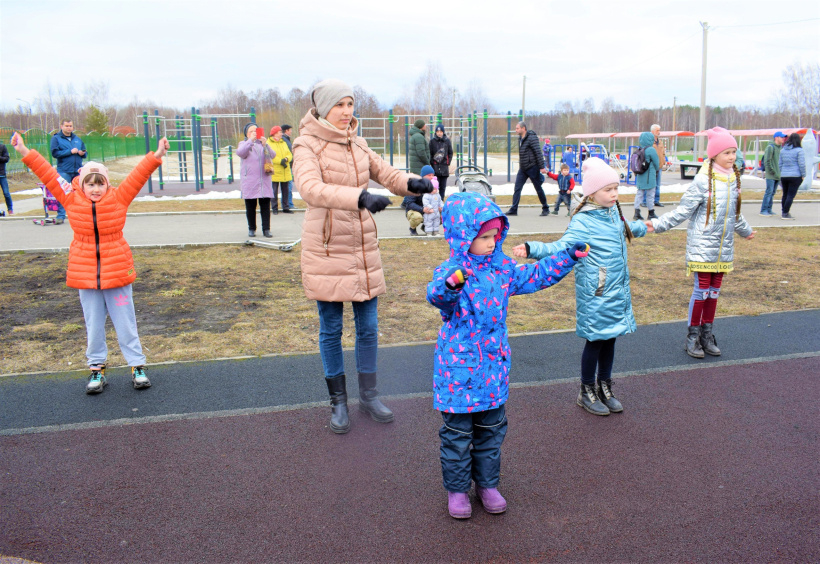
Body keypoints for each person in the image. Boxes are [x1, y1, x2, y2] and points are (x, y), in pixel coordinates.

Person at [427, 191, 587, 518]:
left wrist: (567, 257)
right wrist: (453, 284)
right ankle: (457, 490)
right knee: (457, 436)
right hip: (458, 374)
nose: (490, 242)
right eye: (482, 236)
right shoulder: (452, 270)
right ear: (462, 237)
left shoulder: (502, 269)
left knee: (491, 431)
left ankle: (487, 484)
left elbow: (534, 276)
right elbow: (438, 297)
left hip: (492, 371)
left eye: (494, 235)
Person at [291, 79, 433, 434]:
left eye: (350, 104)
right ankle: (338, 402)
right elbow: (309, 188)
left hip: (362, 247)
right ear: (324, 108)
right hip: (327, 247)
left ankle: (368, 396)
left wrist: (411, 183)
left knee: (368, 329)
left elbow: (385, 173)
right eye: (339, 105)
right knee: (332, 329)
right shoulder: (306, 144)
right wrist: (358, 198)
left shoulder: (357, 142)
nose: (346, 112)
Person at [10, 131, 170, 394]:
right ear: (81, 185)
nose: (95, 189)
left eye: (100, 184)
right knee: (93, 324)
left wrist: (157, 155)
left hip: (117, 271)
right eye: (90, 184)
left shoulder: (119, 198)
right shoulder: (70, 199)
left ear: (107, 185)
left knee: (125, 322)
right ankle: (97, 369)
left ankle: (137, 366)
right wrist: (25, 151)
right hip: (85, 275)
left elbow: (138, 175)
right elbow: (47, 174)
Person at [513, 157, 647, 416]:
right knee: (596, 341)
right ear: (592, 193)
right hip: (596, 292)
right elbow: (560, 247)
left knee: (611, 339)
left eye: (616, 189)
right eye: (608, 190)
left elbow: (625, 229)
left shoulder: (612, 214)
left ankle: (604, 386)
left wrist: (645, 227)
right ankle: (586, 390)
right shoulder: (584, 221)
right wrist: (533, 248)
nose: (614, 194)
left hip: (615, 292)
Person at [645, 127, 755, 358]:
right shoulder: (702, 180)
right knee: (701, 292)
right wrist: (658, 224)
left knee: (714, 293)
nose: (732, 157)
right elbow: (683, 210)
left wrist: (745, 231)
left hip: (722, 249)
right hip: (702, 247)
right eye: (727, 152)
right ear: (714, 155)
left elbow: (734, 213)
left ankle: (707, 334)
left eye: (734, 152)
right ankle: (692, 337)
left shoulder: (734, 178)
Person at [237, 123, 275, 237]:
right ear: (247, 134)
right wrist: (250, 141)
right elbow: (240, 153)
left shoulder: (262, 144)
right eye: (251, 131)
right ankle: (252, 229)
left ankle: (266, 229)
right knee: (250, 207)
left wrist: (265, 144)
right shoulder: (244, 144)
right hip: (250, 181)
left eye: (256, 130)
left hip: (264, 180)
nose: (254, 133)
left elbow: (273, 155)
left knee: (265, 207)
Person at [506, 122, 550, 216]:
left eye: (517, 128)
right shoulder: (520, 138)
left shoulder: (532, 138)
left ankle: (545, 208)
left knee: (538, 188)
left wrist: (542, 167)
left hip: (532, 167)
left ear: (523, 128)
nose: (516, 130)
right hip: (523, 168)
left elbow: (538, 152)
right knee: (517, 188)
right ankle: (514, 209)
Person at [49, 119, 87, 224]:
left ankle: (80, 215)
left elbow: (85, 152)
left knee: (80, 193)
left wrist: (82, 153)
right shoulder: (56, 138)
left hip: (77, 169)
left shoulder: (77, 139)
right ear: (62, 126)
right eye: (66, 126)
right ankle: (61, 215)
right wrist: (69, 152)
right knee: (63, 193)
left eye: (70, 126)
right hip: (64, 170)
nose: (69, 128)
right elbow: (55, 153)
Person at [778, 132, 806, 221]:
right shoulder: (799, 150)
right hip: (795, 175)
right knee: (790, 195)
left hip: (784, 175)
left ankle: (784, 211)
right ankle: (785, 213)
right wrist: (803, 175)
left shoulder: (783, 150)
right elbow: (801, 164)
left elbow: (780, 164)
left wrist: (781, 173)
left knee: (785, 194)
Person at [633, 132, 659, 221]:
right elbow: (657, 163)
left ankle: (637, 212)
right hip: (649, 177)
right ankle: (651, 212)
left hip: (640, 175)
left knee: (639, 194)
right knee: (650, 195)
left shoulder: (640, 149)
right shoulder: (651, 150)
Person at [267, 126, 293, 214]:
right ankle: (274, 208)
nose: (281, 134)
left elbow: (289, 154)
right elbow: (268, 155)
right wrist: (279, 161)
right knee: (274, 191)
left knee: (286, 190)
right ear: (274, 133)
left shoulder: (283, 142)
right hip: (275, 171)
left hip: (285, 170)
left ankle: (286, 207)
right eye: (279, 132)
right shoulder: (268, 143)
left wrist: (286, 159)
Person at [759, 132, 786, 216]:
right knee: (769, 192)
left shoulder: (781, 148)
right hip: (771, 175)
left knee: (773, 192)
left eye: (783, 137)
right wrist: (772, 171)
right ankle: (763, 210)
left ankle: (769, 209)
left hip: (778, 174)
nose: (783, 139)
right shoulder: (770, 147)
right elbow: (767, 161)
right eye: (781, 137)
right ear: (776, 138)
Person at [641, 124, 666, 208]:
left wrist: (663, 161)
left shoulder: (660, 142)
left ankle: (656, 200)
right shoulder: (649, 142)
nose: (659, 132)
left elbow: (662, 152)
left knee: (657, 184)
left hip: (659, 166)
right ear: (652, 131)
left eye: (659, 130)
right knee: (648, 184)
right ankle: (644, 201)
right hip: (651, 167)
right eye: (657, 130)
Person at [429, 124, 453, 199]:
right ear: (435, 132)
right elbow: (430, 153)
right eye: (438, 131)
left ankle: (441, 200)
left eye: (441, 131)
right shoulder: (432, 141)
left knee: (443, 187)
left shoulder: (447, 141)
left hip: (444, 167)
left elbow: (450, 152)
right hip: (435, 167)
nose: (439, 133)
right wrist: (432, 163)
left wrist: (448, 162)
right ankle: (435, 201)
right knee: (435, 186)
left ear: (443, 132)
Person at [420, 165, 443, 235]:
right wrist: (423, 209)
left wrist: (442, 208)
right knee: (419, 218)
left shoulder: (436, 194)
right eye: (429, 175)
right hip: (421, 210)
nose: (431, 177)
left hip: (434, 211)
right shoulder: (416, 186)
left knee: (439, 218)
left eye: (432, 175)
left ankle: (435, 231)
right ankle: (414, 229)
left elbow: (440, 201)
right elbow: (410, 203)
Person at [281, 124, 296, 210]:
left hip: (288, 164)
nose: (291, 132)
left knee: (288, 186)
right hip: (286, 165)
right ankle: (288, 204)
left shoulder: (286, 140)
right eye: (290, 130)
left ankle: (288, 203)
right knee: (288, 186)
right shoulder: (284, 140)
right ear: (286, 131)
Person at [0, 139, 11, 216]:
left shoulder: (2, 147)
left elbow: (6, 158)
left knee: (6, 193)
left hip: (2, 174)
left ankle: (10, 209)